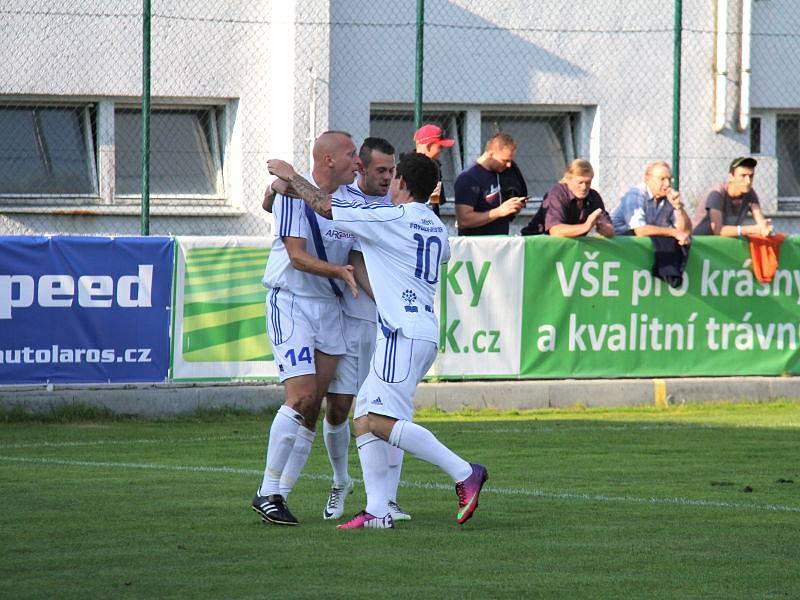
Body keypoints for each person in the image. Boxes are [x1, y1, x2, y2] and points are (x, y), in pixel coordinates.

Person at [268, 152, 489, 529]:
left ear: (401, 182)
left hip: (401, 332)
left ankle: (465, 471)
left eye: (394, 176)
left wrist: (291, 176)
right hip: (416, 330)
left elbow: (324, 206)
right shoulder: (436, 227)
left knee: (382, 420)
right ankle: (376, 510)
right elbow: (438, 254)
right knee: (364, 419)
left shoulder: (394, 218)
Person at [251, 130, 361, 526]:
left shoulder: (347, 200)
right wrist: (339, 271)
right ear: (329, 159)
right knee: (298, 398)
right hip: (292, 302)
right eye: (351, 154)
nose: (357, 161)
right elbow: (296, 257)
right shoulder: (292, 195)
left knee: (315, 405)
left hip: (330, 307)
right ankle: (267, 492)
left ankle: (279, 495)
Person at [323, 137, 412, 522]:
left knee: (388, 409)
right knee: (340, 408)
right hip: (352, 318)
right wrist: (283, 182)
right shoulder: (344, 198)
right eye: (381, 170)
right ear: (361, 166)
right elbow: (357, 261)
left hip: (388, 326)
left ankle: (388, 500)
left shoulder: (396, 207)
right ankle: (341, 481)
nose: (387, 177)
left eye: (392, 171)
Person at [453, 133, 527, 236]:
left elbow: (502, 210)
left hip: (500, 243)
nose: (509, 165)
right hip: (475, 247)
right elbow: (463, 220)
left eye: (510, 161)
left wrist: (514, 207)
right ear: (490, 154)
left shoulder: (502, 172)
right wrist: (499, 211)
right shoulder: (468, 178)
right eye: (505, 160)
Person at [611, 160, 692, 245]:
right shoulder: (636, 194)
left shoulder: (669, 197)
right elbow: (640, 230)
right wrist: (674, 232)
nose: (667, 184)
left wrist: (678, 207)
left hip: (646, 246)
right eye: (662, 179)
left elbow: (685, 232)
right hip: (618, 244)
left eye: (669, 179)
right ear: (648, 179)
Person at [692, 157, 773, 237]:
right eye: (743, 176)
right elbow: (718, 231)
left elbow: (761, 223)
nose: (748, 181)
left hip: (723, 243)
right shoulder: (717, 194)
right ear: (731, 177)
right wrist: (752, 229)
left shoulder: (750, 194)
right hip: (698, 243)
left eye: (751, 176)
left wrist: (765, 229)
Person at [536, 159, 614, 238]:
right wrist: (586, 226)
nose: (584, 187)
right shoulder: (557, 194)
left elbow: (610, 230)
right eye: (580, 182)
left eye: (588, 182)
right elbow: (556, 231)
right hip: (536, 244)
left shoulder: (593, 196)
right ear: (568, 180)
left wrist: (604, 227)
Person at [414, 123, 455, 216]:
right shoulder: (408, 168)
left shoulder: (436, 167)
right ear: (428, 146)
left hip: (431, 221)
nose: (442, 150)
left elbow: (435, 200)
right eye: (440, 146)